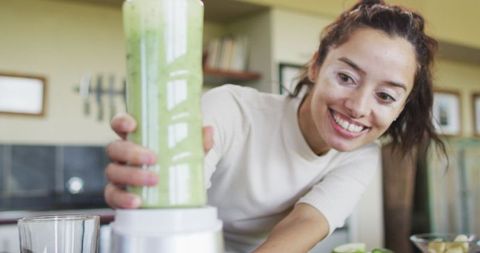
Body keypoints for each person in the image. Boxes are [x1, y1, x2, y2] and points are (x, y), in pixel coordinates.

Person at [104, 0, 445, 252]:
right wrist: (154, 176)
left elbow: (306, 221)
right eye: (345, 77)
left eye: (385, 96)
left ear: (402, 107)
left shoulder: (362, 155)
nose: (358, 107)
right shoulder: (231, 109)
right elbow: (181, 186)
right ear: (316, 66)